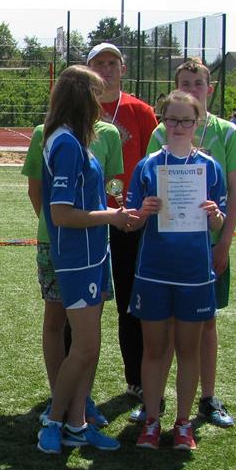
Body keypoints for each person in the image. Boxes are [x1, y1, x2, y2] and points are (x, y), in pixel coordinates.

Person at [140, 59, 236, 428]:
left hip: (208, 247)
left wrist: (224, 243)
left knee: (205, 325)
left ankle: (207, 399)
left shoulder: (227, 132)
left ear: (209, 89)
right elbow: (148, 187)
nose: (192, 88)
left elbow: (234, 193)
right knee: (165, 328)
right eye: (185, 83)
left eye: (198, 83)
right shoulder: (160, 133)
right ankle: (156, 404)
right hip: (165, 250)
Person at [36, 66, 134, 454]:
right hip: (76, 258)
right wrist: (112, 217)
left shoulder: (75, 139)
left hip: (93, 255)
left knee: (88, 347)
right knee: (85, 347)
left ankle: (77, 424)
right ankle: (54, 420)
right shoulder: (65, 143)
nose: (103, 102)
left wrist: (115, 214)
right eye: (97, 94)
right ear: (82, 98)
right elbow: (61, 214)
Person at [128, 90, 227, 451]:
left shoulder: (209, 167)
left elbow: (218, 223)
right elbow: (132, 222)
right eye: (172, 119)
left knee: (188, 350)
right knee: (154, 350)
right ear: (163, 121)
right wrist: (143, 211)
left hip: (194, 273)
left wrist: (215, 215)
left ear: (197, 122)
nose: (179, 126)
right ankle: (152, 421)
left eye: (187, 120)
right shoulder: (148, 165)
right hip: (154, 271)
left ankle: (183, 423)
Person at [22, 118, 122, 426]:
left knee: (89, 328)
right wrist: (55, 228)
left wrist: (113, 211)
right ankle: (59, 398)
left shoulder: (108, 133)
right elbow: (36, 190)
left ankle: (82, 401)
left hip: (94, 244)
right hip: (55, 242)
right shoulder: (45, 134)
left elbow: (108, 187)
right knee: (55, 320)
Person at [88, 42, 157, 401]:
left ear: (123, 69)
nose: (106, 69)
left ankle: (137, 379)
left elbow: (154, 163)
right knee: (84, 303)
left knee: (131, 299)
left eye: (112, 63)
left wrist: (140, 210)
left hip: (132, 218)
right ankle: (74, 384)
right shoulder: (79, 110)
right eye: (99, 63)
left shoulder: (141, 111)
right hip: (90, 219)